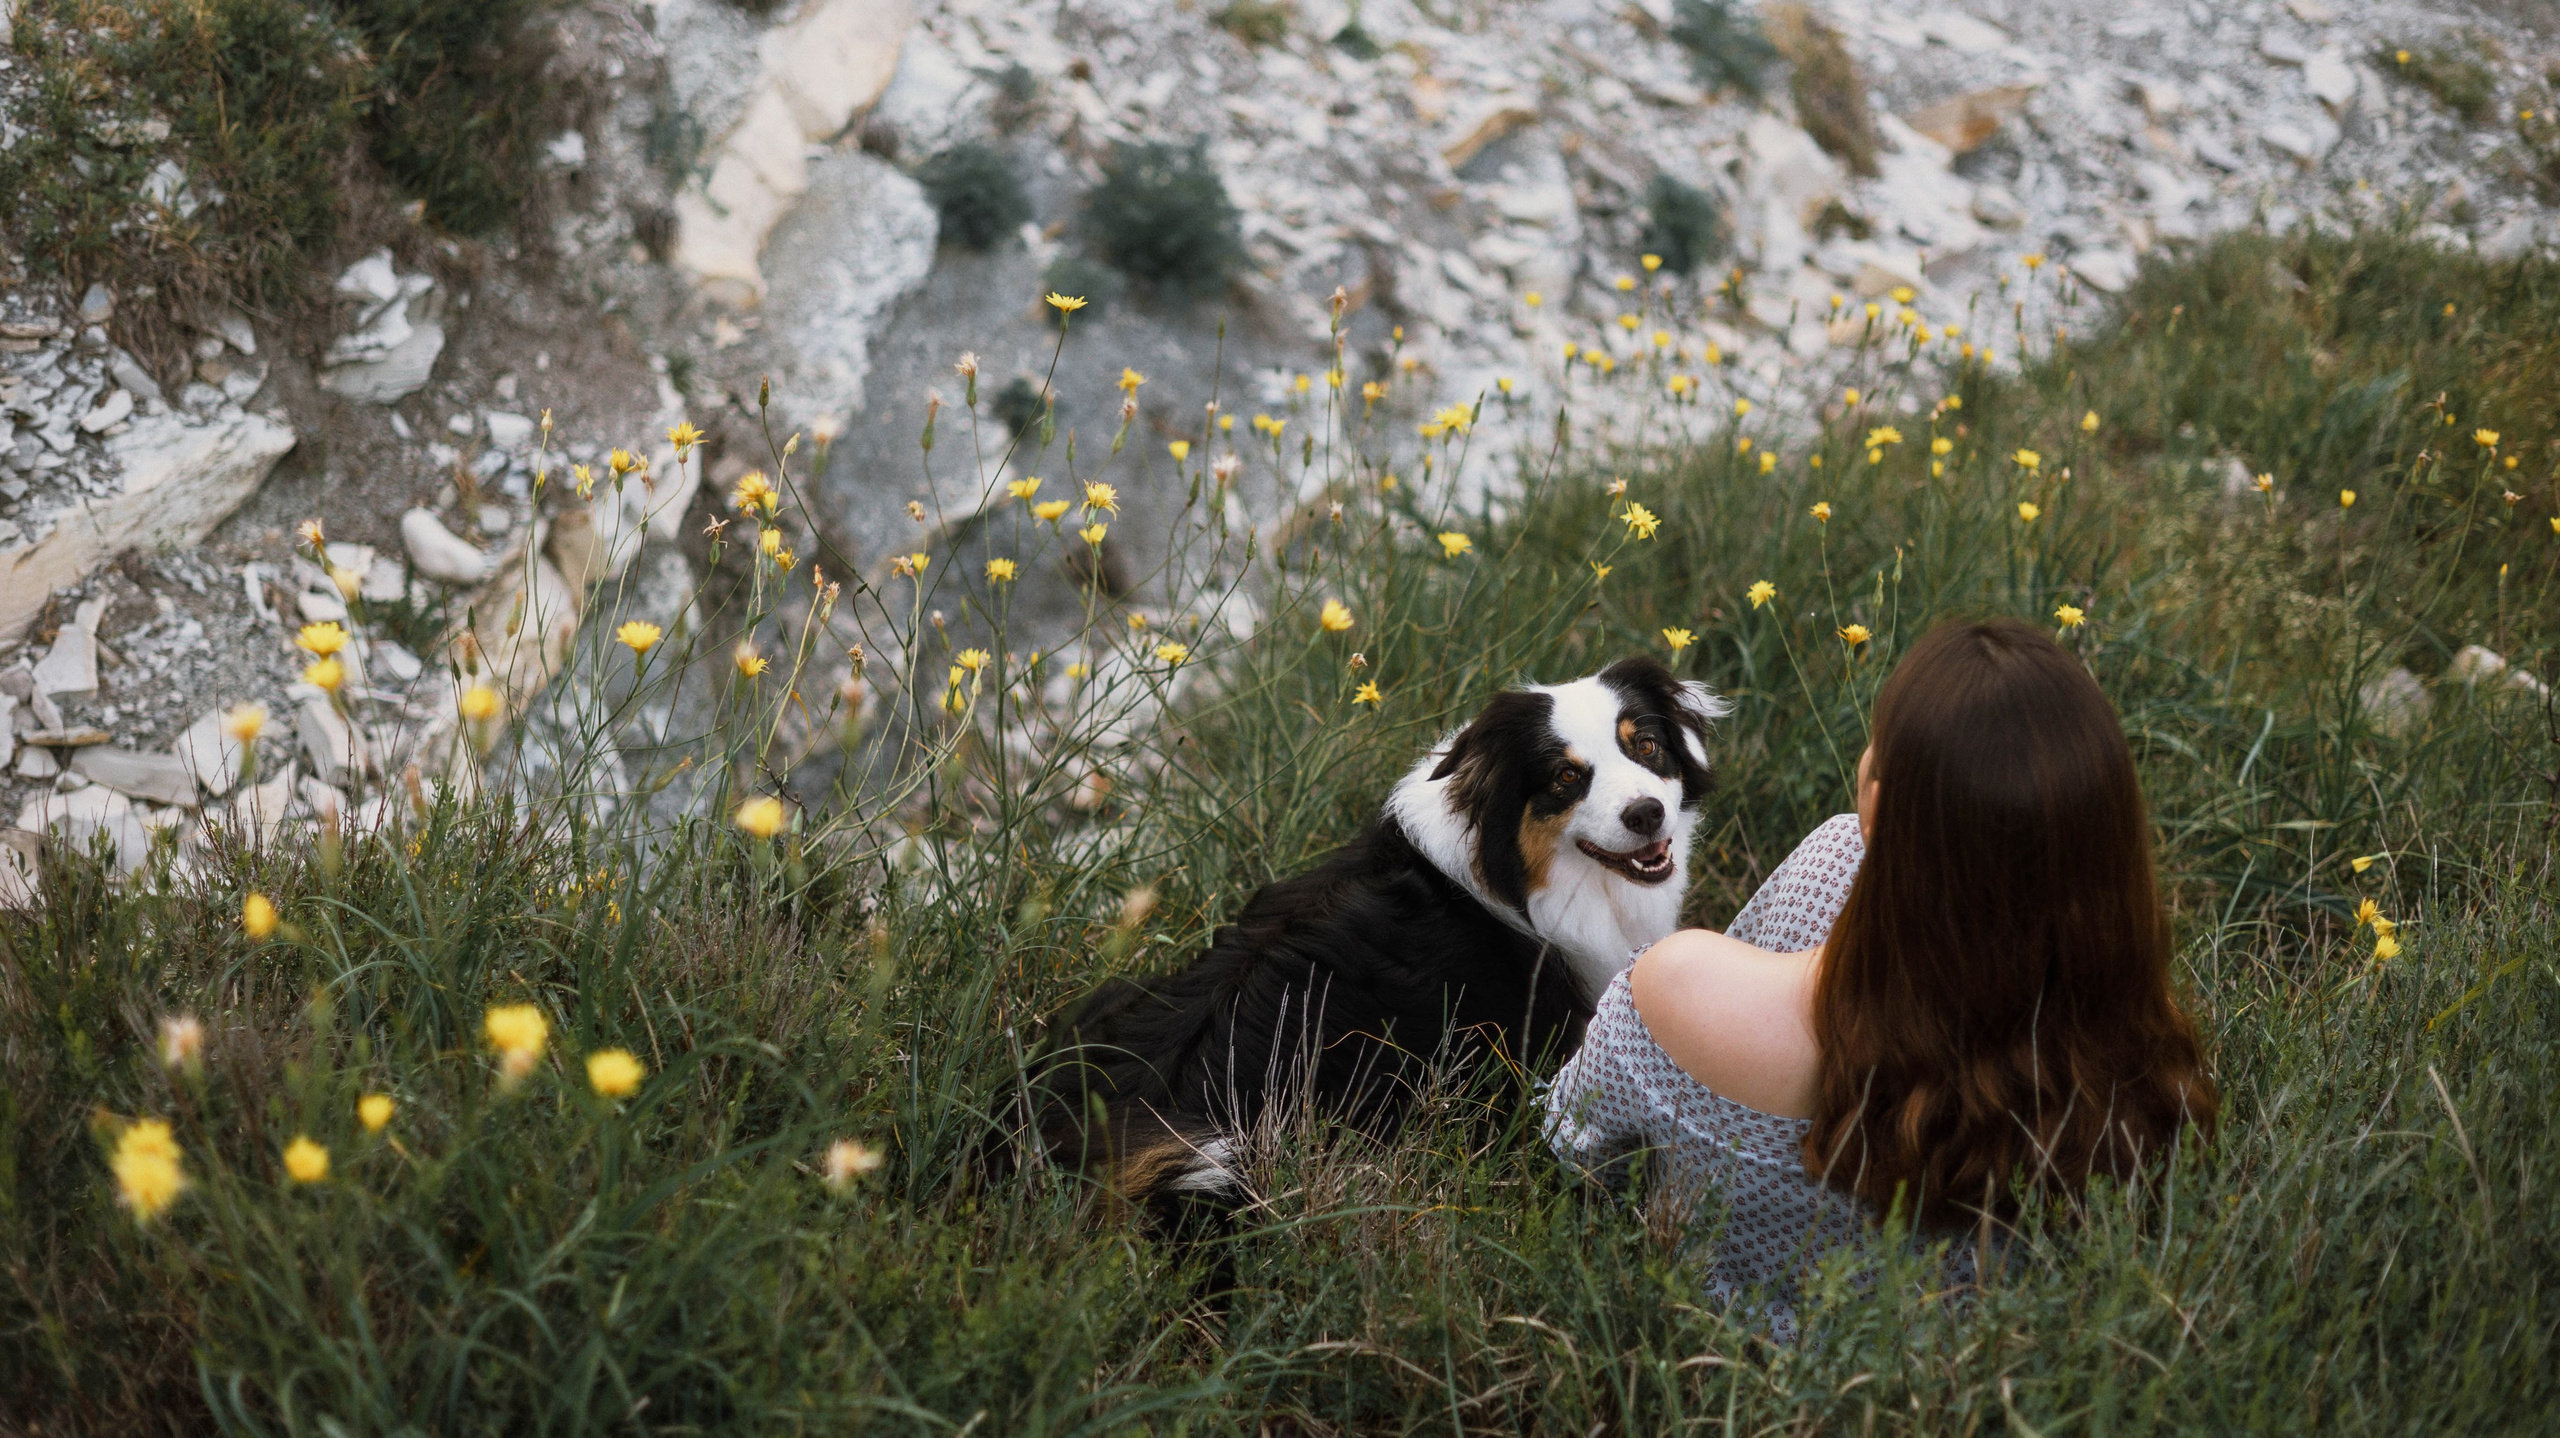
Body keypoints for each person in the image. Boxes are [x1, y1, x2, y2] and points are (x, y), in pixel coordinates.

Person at [1543, 616, 2218, 1341]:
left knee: (1838, 855)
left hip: (1716, 1374)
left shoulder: (1679, 986)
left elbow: (1574, 1150)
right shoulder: (2122, 1046)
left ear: (1878, 799)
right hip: (1981, 1384)